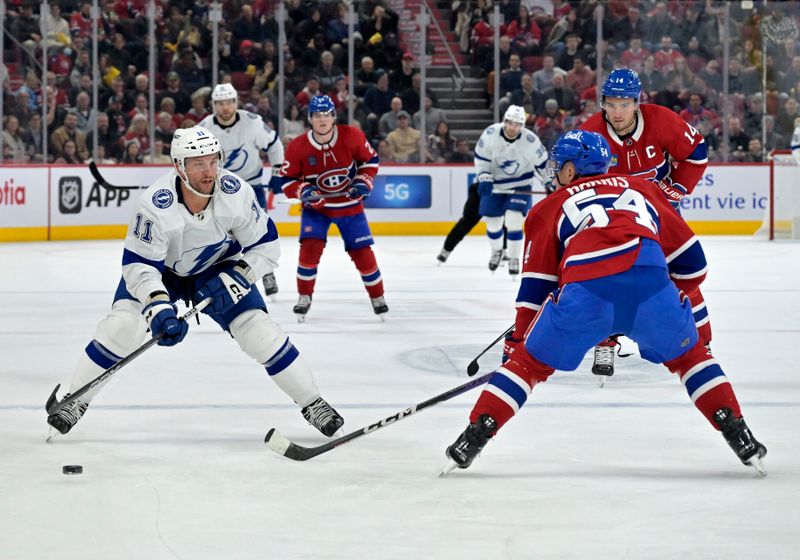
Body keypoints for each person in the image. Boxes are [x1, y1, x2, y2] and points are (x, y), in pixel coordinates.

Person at [443, 130, 767, 477]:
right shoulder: (644, 189)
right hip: (651, 287)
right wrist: (668, 297)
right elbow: (694, 264)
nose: (555, 173)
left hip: (587, 295)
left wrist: (519, 348)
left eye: (559, 166)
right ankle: (737, 430)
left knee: (528, 367)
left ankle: (476, 434)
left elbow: (535, 291)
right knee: (691, 357)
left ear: (571, 170)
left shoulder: (547, 208)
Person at [46, 126, 344, 440]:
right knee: (122, 327)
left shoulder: (236, 192)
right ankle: (75, 399)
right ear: (179, 166)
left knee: (259, 332)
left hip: (218, 268)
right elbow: (139, 267)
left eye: (213, 161)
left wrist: (237, 279)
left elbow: (266, 248)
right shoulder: (155, 205)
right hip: (163, 273)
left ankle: (313, 402)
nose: (209, 171)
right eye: (198, 163)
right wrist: (158, 307)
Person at [580, 68, 710, 380]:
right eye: (611, 104)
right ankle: (605, 342)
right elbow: (576, 183)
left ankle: (701, 345)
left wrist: (675, 190)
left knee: (680, 277)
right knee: (602, 278)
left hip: (660, 217)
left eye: (624, 104)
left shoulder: (661, 120)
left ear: (637, 103)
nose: (617, 112)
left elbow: (697, 153)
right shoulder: (590, 133)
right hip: (610, 223)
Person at [275, 95, 386, 322]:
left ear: (334, 116)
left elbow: (370, 161)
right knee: (309, 250)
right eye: (317, 115)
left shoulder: (352, 135)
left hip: (350, 205)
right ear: (310, 119)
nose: (322, 119)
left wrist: (363, 181)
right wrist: (304, 191)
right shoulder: (298, 146)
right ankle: (304, 296)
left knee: (362, 252)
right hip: (318, 208)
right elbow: (287, 180)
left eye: (326, 114)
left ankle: (378, 296)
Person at [200, 84, 285, 300]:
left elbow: (274, 145)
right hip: (219, 189)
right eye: (220, 103)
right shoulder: (204, 127)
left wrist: (277, 173)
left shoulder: (253, 122)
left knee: (259, 232)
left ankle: (266, 272)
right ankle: (217, 273)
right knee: (218, 234)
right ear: (214, 105)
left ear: (236, 102)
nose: (225, 107)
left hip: (251, 186)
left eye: (229, 102)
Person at [471, 105, 548, 276]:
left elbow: (543, 164)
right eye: (510, 123)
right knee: (493, 223)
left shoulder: (530, 140)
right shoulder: (491, 134)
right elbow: (481, 157)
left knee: (513, 221)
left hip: (521, 184)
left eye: (518, 124)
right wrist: (483, 175)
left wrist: (549, 182)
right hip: (496, 184)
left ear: (523, 125)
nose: (513, 127)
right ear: (504, 121)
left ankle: (514, 257)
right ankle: (497, 251)